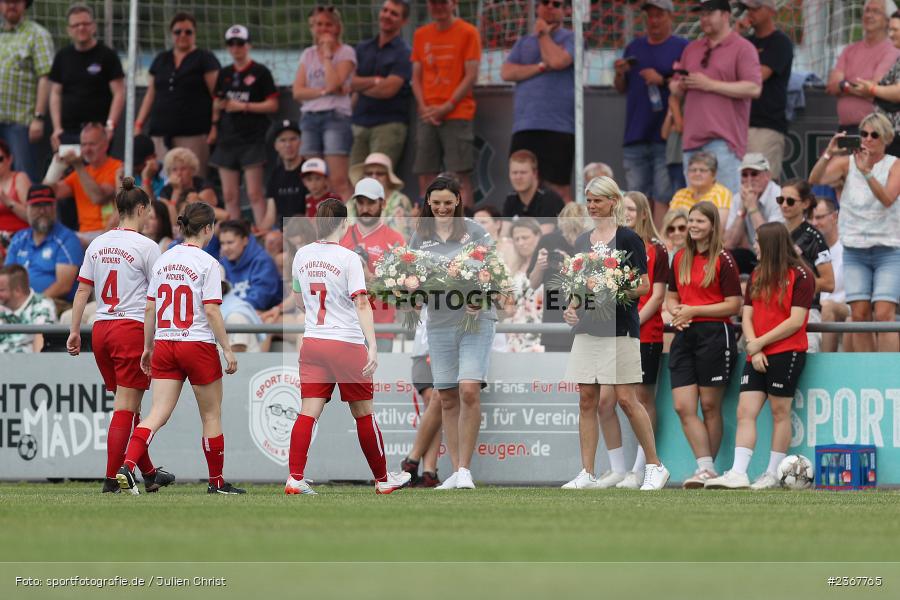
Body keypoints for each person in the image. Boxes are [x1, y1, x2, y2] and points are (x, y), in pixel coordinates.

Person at [286, 198, 411, 495]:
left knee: (308, 412)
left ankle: (294, 477)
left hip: (313, 342)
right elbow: (361, 302)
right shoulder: (348, 258)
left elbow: (299, 300)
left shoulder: (302, 255)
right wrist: (373, 345)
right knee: (364, 413)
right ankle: (382, 480)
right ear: (344, 224)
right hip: (346, 343)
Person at [116, 202, 242, 495]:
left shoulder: (163, 260)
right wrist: (227, 349)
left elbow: (150, 309)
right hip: (196, 343)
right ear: (208, 228)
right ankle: (217, 482)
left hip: (166, 342)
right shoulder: (209, 263)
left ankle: (127, 465)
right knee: (211, 416)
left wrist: (148, 347)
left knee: (156, 413)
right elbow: (211, 311)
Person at [65, 177, 174, 494]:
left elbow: (83, 290)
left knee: (129, 405)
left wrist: (74, 330)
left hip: (101, 328)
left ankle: (150, 472)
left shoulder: (98, 243)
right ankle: (112, 479)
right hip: (130, 328)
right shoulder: (147, 246)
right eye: (148, 212)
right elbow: (159, 295)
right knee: (126, 407)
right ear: (140, 209)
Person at [560, 176, 669, 491]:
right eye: (589, 200)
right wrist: (572, 307)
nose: (593, 206)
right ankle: (587, 472)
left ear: (613, 202)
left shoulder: (629, 238)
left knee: (625, 398)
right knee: (586, 399)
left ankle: (655, 466)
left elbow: (644, 286)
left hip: (621, 328)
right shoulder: (583, 241)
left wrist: (612, 288)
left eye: (598, 200)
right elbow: (579, 287)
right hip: (588, 329)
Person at [705, 222, 814, 490]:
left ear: (771, 244)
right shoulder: (757, 274)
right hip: (759, 352)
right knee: (745, 411)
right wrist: (755, 346)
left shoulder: (802, 276)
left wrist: (759, 344)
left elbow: (795, 321)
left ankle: (772, 474)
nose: (754, 246)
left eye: (758, 241)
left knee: (780, 412)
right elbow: (747, 314)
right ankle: (738, 472)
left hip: (787, 352)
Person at [408, 176, 499, 490]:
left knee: (469, 390)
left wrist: (481, 296)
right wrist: (410, 288)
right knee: (446, 396)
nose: (443, 208)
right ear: (428, 204)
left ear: (459, 200)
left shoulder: (476, 231)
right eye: (436, 204)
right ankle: (456, 473)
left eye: (448, 202)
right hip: (439, 322)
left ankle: (465, 470)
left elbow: (495, 272)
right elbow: (409, 274)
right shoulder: (420, 235)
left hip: (476, 320)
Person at [808, 113, 900, 353]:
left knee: (884, 314)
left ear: (887, 138)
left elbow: (888, 199)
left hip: (888, 249)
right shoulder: (847, 163)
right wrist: (829, 152)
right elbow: (814, 179)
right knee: (859, 315)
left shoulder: (895, 164)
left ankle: (889, 376)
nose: (868, 139)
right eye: (864, 134)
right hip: (855, 249)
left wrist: (867, 172)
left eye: (874, 135)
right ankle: (867, 374)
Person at [666, 200, 742, 488]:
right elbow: (672, 296)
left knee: (710, 406)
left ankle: (706, 471)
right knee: (682, 406)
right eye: (691, 221)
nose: (694, 226)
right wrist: (677, 312)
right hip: (684, 335)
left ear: (712, 225)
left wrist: (694, 310)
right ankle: (706, 468)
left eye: (700, 221)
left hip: (714, 335)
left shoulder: (724, 259)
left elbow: (734, 304)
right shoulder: (680, 257)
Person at [670, 0, 762, 200]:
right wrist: (678, 86)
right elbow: (675, 89)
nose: (703, 19)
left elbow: (754, 88)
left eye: (710, 13)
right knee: (696, 210)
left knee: (726, 207)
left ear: (726, 15)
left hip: (724, 142)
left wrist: (710, 84)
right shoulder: (691, 48)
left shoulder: (743, 48)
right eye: (701, 14)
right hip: (691, 141)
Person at [614, 0, 688, 224]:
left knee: (664, 197)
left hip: (667, 135)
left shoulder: (682, 47)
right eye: (649, 16)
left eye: (659, 15)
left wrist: (662, 80)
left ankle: (659, 250)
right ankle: (636, 249)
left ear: (670, 17)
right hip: (635, 133)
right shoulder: (634, 47)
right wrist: (618, 74)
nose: (654, 21)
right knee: (635, 198)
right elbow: (621, 88)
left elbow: (687, 85)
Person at [614, 191, 669, 489]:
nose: (627, 213)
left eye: (632, 209)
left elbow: (656, 295)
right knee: (622, 399)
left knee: (642, 399)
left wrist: (635, 321)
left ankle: (643, 468)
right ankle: (633, 468)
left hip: (645, 333)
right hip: (621, 330)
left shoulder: (656, 249)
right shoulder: (614, 243)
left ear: (645, 213)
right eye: (623, 208)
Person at [501, 0, 576, 203]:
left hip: (558, 125)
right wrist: (541, 67)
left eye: (556, 3)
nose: (550, 7)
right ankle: (525, 232)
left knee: (558, 188)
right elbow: (507, 72)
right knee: (523, 183)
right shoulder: (524, 41)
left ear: (566, 10)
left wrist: (543, 34)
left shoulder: (571, 38)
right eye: (544, 2)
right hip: (525, 124)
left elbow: (558, 61)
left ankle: (566, 233)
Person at [411, 0, 482, 210]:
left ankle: (465, 228)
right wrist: (423, 107)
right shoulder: (420, 34)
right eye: (434, 3)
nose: (438, 6)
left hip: (457, 112)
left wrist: (448, 106)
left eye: (443, 2)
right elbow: (415, 77)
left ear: (454, 4)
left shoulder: (468, 32)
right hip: (427, 114)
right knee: (425, 173)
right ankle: (428, 226)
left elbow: (471, 75)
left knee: (459, 176)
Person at [209, 25, 279, 226]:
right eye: (231, 43)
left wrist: (243, 106)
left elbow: (273, 104)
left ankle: (263, 236)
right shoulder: (224, 73)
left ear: (248, 45)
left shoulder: (260, 72)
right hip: (227, 137)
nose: (236, 47)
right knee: (230, 195)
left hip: (252, 138)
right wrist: (214, 126)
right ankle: (235, 236)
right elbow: (217, 102)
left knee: (255, 193)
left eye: (240, 43)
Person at [135, 12, 220, 175]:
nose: (183, 35)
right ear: (171, 34)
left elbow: (216, 95)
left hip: (193, 133)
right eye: (178, 31)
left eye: (188, 32)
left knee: (192, 181)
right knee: (161, 179)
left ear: (195, 33)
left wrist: (215, 127)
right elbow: (150, 94)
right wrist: (138, 124)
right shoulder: (161, 59)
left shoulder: (205, 58)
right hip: (160, 132)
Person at [292, 5, 357, 201]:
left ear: (337, 27)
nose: (323, 28)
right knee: (315, 181)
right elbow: (297, 91)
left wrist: (328, 55)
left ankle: (352, 224)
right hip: (310, 118)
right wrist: (324, 91)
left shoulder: (346, 52)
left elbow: (334, 82)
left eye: (328, 24)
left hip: (335, 117)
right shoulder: (308, 54)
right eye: (318, 24)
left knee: (338, 180)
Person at [339, 177, 405, 352]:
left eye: (371, 203)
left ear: (382, 203)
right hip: (343, 328)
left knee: (378, 379)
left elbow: (402, 290)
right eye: (360, 203)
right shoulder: (341, 235)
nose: (365, 209)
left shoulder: (395, 240)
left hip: (380, 329)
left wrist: (368, 277)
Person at [48, 4, 124, 149]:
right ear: (69, 30)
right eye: (76, 25)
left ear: (93, 26)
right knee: (64, 172)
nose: (81, 28)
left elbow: (119, 93)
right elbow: (55, 93)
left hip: (97, 132)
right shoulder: (62, 56)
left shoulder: (107, 56)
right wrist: (57, 128)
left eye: (85, 24)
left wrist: (110, 126)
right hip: (68, 132)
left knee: (95, 172)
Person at [350, 0, 413, 168]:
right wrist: (375, 81)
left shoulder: (404, 52)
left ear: (404, 21)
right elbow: (350, 82)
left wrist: (361, 86)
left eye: (394, 13)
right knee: (355, 179)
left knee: (379, 181)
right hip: (359, 123)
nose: (387, 16)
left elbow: (389, 90)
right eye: (385, 10)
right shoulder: (363, 48)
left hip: (388, 125)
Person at [777, 179, 834, 353]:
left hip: (806, 312)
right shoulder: (775, 234)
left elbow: (829, 283)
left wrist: (793, 285)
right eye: (781, 200)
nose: (784, 205)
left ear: (806, 203)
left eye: (791, 201)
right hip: (776, 311)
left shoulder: (815, 238)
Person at [827, 0, 900, 135]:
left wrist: (843, 86)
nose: (869, 15)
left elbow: (875, 88)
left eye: (876, 11)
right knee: (834, 156)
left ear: (887, 21)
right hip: (845, 128)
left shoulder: (893, 50)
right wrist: (857, 88)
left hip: (874, 131)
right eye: (867, 10)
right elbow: (832, 85)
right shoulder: (849, 49)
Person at [0, 0, 53, 181]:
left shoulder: (38, 34)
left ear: (25, 4)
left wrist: (38, 117)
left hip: (20, 124)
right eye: (6, 1)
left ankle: (26, 210)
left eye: (16, 1)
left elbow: (45, 78)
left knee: (23, 178)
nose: (11, 5)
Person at [741, 0, 793, 180]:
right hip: (738, 125)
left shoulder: (781, 42)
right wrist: (733, 34)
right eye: (748, 9)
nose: (750, 13)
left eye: (755, 8)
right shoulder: (744, 41)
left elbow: (759, 76)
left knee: (760, 186)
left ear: (770, 11)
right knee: (734, 189)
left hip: (765, 126)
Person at [43, 122, 121, 243]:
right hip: (83, 235)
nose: (87, 149)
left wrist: (78, 166)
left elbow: (98, 197)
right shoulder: (79, 174)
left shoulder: (117, 168)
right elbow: (46, 193)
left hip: (109, 234)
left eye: (92, 144)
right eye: (83, 145)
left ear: (105, 145)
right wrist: (56, 166)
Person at [527, 202, 590, 352]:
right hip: (555, 319)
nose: (571, 236)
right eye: (568, 230)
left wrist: (568, 266)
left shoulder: (591, 242)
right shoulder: (549, 240)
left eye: (576, 230)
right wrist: (539, 266)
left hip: (585, 318)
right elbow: (533, 283)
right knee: (555, 373)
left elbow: (595, 282)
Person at [5, 184, 82, 303]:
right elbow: (6, 276)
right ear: (27, 208)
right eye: (36, 206)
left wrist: (32, 304)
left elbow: (63, 286)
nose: (42, 211)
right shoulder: (19, 239)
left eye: (47, 205)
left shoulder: (67, 239)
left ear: (54, 207)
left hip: (54, 304)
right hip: (16, 304)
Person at [399, 310, 442, 487]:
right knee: (434, 400)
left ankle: (426, 470)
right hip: (423, 348)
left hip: (448, 346)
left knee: (439, 403)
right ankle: (417, 463)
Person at [854, 7, 900, 156]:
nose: (891, 34)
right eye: (890, 30)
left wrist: (872, 89)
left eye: (895, 30)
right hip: (891, 133)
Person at [811, 198, 851, 352]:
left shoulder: (847, 247)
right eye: (812, 218)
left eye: (819, 217)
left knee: (827, 307)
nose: (814, 223)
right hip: (820, 309)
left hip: (848, 308)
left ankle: (826, 364)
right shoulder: (812, 249)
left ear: (834, 217)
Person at [724, 153, 783, 255]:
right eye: (744, 175)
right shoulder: (738, 198)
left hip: (778, 254)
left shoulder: (780, 196)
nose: (749, 179)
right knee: (731, 255)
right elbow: (728, 244)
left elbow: (770, 243)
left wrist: (752, 207)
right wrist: (743, 209)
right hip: (754, 254)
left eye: (754, 174)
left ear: (768, 176)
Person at [218, 220, 282, 312]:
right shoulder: (222, 264)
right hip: (230, 314)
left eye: (230, 242)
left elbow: (260, 299)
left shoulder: (262, 262)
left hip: (264, 316)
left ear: (245, 241)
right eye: (222, 243)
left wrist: (230, 309)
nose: (225, 248)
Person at [348, 152, 413, 238]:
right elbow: (345, 230)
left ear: (388, 177)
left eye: (379, 173)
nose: (374, 177)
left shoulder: (400, 200)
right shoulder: (353, 199)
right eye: (369, 173)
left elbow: (400, 237)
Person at [501, 149, 565, 234]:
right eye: (514, 173)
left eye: (523, 172)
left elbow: (542, 237)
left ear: (535, 173)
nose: (518, 177)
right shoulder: (511, 199)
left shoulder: (549, 198)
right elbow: (505, 235)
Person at [504, 217, 544, 352]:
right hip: (515, 332)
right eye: (516, 239)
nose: (520, 243)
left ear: (538, 235)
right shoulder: (514, 267)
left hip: (540, 332)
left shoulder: (547, 263)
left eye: (525, 237)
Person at [0, 263, 55, 353]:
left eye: (1, 290)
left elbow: (41, 348)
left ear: (17, 290)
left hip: (24, 363)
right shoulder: (3, 306)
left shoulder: (42, 306)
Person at [670, 151, 732, 228]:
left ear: (714, 174)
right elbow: (667, 225)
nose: (697, 174)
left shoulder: (722, 194)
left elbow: (719, 228)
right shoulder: (680, 194)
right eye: (693, 170)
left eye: (702, 170)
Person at [158, 147, 220, 224]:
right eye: (174, 169)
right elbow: (171, 220)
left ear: (192, 170)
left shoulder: (204, 186)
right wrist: (176, 191)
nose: (179, 173)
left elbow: (204, 215)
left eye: (183, 169)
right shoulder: (166, 190)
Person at [0, 139, 32, 240]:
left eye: (0, 159)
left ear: (10, 160)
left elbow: (32, 216)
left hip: (20, 238)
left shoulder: (20, 178)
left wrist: (9, 202)